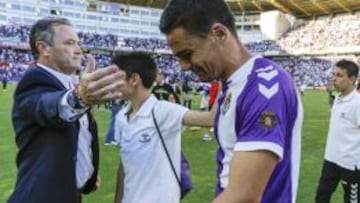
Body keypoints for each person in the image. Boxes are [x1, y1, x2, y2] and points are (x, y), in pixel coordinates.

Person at [160, 0, 304, 202]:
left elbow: (244, 195)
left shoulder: (266, 87)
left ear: (219, 33)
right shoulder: (231, 83)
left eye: (187, 54)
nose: (183, 66)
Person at [8, 17, 123, 203]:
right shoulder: (34, 81)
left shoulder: (69, 84)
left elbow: (76, 138)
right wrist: (80, 98)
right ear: (43, 48)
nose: (79, 50)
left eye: (78, 43)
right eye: (70, 43)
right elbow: (49, 105)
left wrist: (87, 176)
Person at [112, 51, 216, 203]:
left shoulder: (162, 110)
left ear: (134, 79)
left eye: (117, 78)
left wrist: (224, 77)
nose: (112, 83)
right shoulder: (122, 116)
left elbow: (210, 119)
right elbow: (124, 163)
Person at [315, 60, 360, 203]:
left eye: (340, 75)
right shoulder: (338, 99)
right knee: (321, 196)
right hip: (331, 159)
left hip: (350, 164)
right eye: (334, 74)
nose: (334, 78)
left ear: (352, 80)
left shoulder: (357, 104)